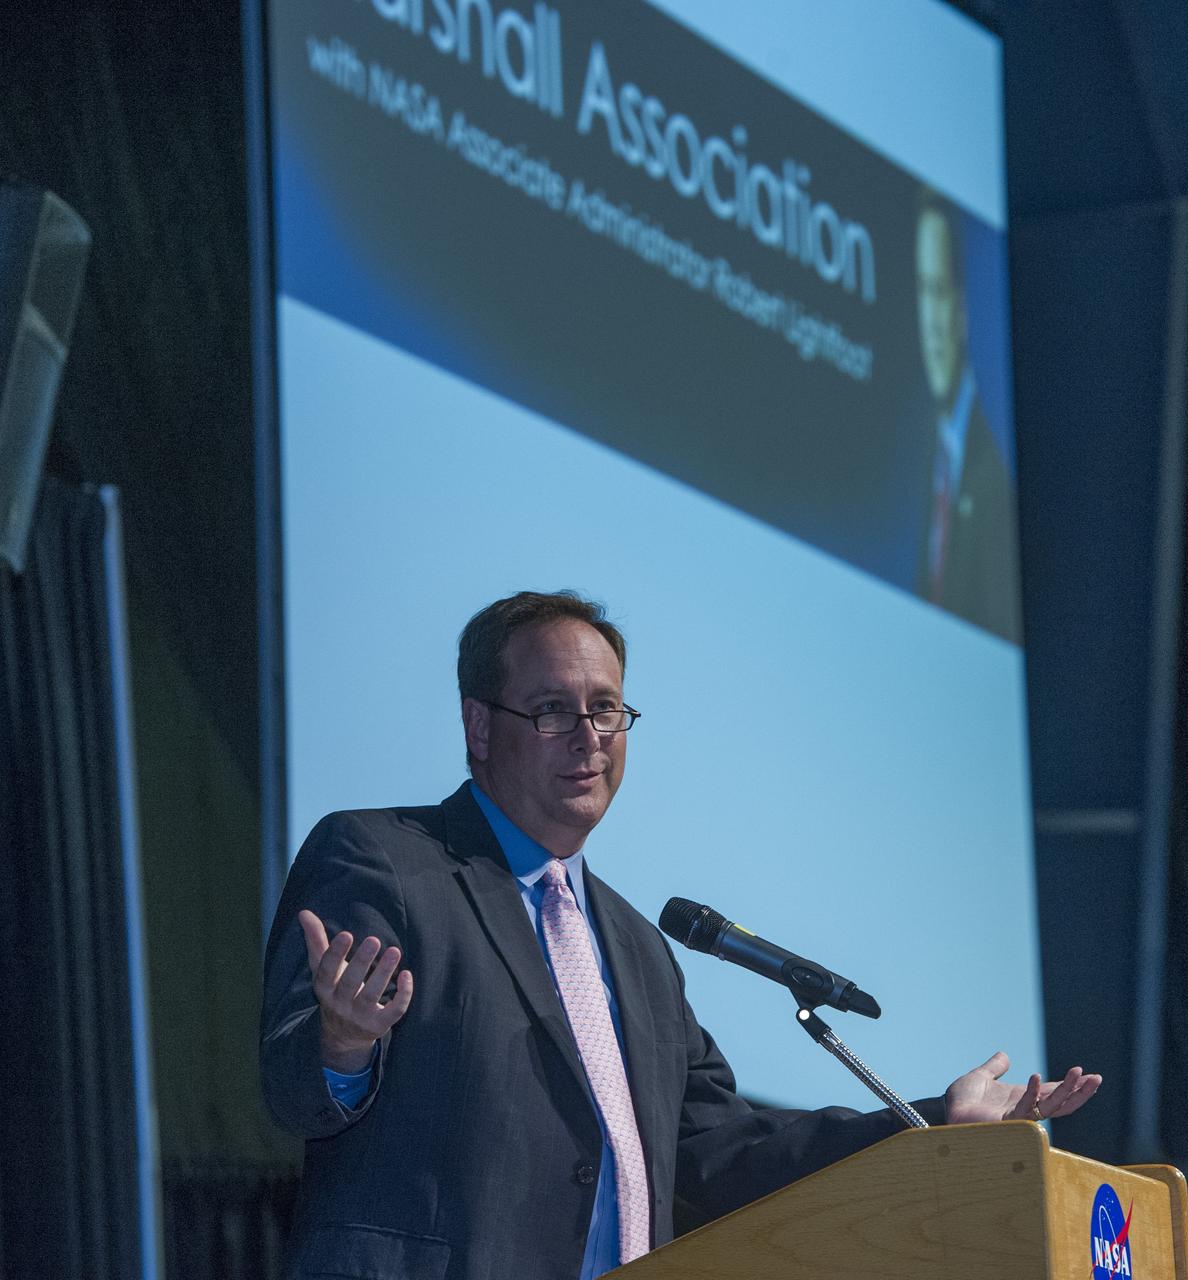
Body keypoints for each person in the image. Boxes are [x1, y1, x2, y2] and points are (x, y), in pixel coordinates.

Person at [261, 590, 1098, 1280]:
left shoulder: (637, 946)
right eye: (553, 711)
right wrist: (343, 1045)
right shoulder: (382, 859)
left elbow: (723, 1151)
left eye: (607, 710)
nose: (590, 738)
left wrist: (933, 1123)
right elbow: (290, 1089)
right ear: (480, 727)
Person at [915, 193, 1020, 641]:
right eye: (923, 290)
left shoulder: (993, 478)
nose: (933, 325)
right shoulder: (934, 463)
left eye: (940, 293)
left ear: (962, 312)